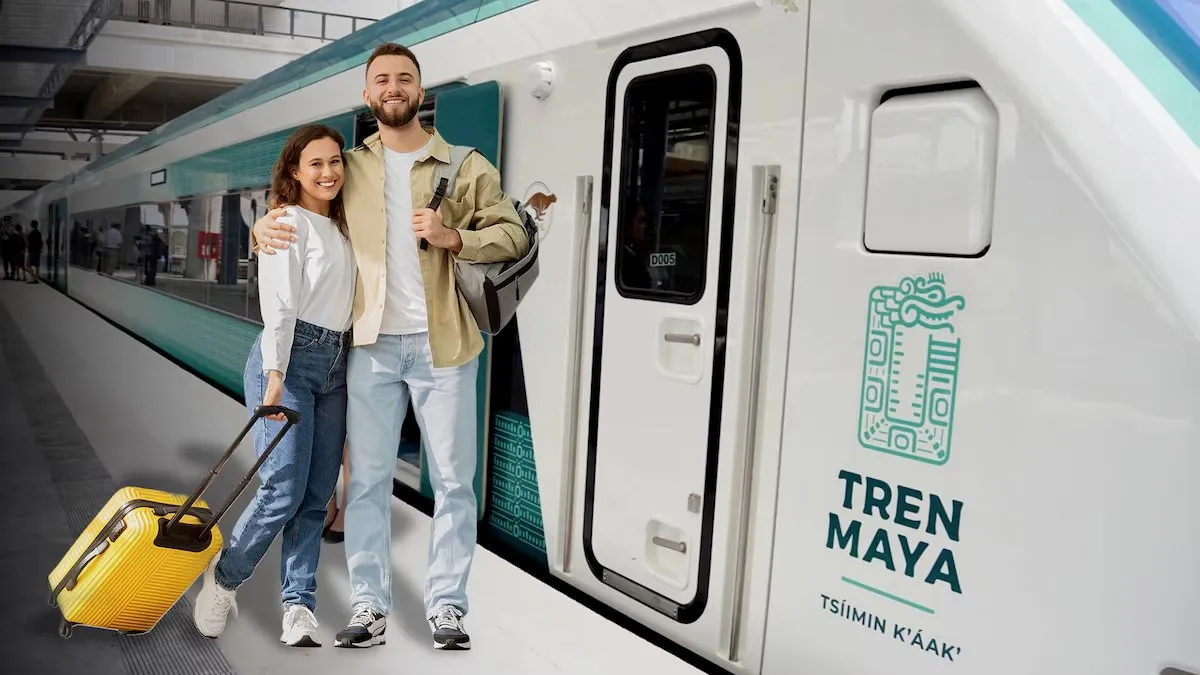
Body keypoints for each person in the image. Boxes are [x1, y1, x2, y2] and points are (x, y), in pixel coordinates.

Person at [250, 42, 529, 651]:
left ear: (421, 92)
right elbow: (300, 210)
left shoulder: (465, 165)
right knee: (370, 482)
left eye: (405, 78)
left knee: (455, 483)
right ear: (368, 95)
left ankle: (448, 609)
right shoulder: (351, 166)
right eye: (382, 79)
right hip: (370, 348)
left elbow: (511, 234)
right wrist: (261, 224)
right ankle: (370, 607)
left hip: (446, 348)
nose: (393, 87)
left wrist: (455, 236)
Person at [192, 123, 356, 647]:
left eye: (336, 161)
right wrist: (274, 380)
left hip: (337, 366)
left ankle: (298, 606)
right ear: (294, 171)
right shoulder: (288, 223)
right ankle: (223, 579)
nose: (328, 172)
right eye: (316, 164)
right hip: (288, 361)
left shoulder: (350, 226)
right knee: (282, 490)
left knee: (316, 495)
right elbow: (280, 307)